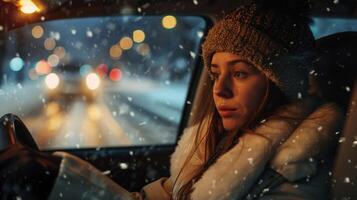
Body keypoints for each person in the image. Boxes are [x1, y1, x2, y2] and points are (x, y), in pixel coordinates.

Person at [0, 1, 345, 200]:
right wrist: (56, 175)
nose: (220, 90)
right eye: (215, 73)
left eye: (240, 73)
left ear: (280, 83)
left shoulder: (299, 168)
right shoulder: (214, 145)